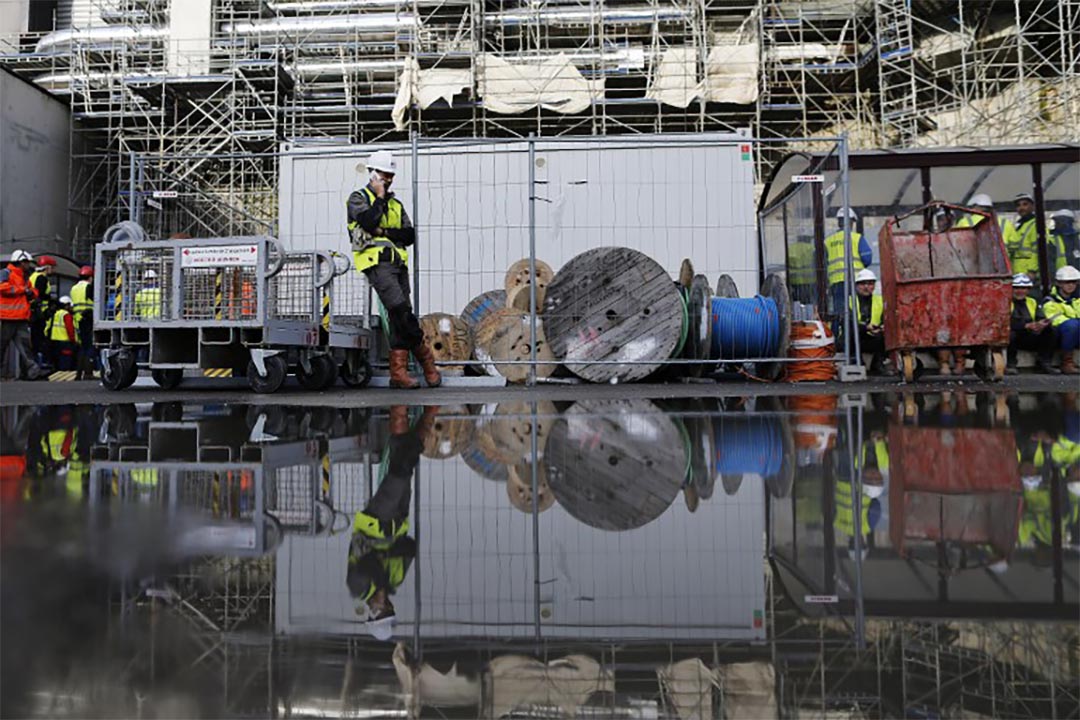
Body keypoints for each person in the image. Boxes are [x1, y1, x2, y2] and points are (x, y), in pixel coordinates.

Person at [347, 151, 440, 389]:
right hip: (376, 263)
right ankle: (427, 361)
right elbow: (368, 222)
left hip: (398, 263)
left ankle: (398, 374)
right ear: (373, 174)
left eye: (390, 175)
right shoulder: (358, 198)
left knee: (401, 314)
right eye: (384, 175)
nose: (388, 179)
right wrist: (379, 198)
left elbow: (408, 235)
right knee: (399, 309)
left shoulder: (396, 204)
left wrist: (384, 232)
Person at [346, 406, 435, 640]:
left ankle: (405, 411)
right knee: (404, 465)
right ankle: (417, 415)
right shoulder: (394, 581)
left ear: (372, 613)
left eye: (382, 611)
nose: (385, 606)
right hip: (398, 520)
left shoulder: (358, 588)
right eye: (389, 609)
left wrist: (386, 563)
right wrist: (393, 556)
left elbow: (368, 562)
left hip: (377, 520)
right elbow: (410, 548)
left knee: (400, 472)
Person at [0, 250, 45, 380]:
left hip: (21, 317)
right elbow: (2, 287)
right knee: (2, 346)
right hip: (7, 317)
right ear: (20, 262)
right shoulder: (6, 273)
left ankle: (33, 371)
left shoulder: (25, 276)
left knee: (25, 346)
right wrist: (22, 290)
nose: (29, 265)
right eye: (27, 263)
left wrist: (32, 293)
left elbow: (32, 290)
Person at [825, 208, 873, 321]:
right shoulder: (857, 238)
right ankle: (857, 333)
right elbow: (867, 259)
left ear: (839, 222)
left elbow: (821, 263)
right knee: (857, 311)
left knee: (839, 313)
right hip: (855, 281)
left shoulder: (828, 241)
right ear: (851, 222)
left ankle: (839, 335)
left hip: (836, 283)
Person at [1007, 273, 1058, 374]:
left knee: (1050, 330)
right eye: (1017, 288)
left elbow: (1040, 316)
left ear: (1028, 290)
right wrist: (1025, 326)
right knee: (1010, 334)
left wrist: (1041, 324)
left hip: (1029, 335)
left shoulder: (1032, 302)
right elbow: (1003, 323)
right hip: (1014, 336)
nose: (1020, 291)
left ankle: (1044, 362)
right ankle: (1011, 364)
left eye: (1024, 288)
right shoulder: (1006, 302)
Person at [1043, 265, 1080, 374]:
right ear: (1059, 283)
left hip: (1075, 332)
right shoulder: (1050, 301)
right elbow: (1055, 319)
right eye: (1067, 282)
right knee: (1072, 325)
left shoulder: (1077, 299)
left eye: (1073, 282)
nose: (1071, 285)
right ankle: (1067, 363)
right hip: (1061, 334)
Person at [851, 268, 888, 375]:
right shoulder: (849, 301)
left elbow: (885, 319)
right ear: (857, 286)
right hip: (854, 338)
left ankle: (878, 363)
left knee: (885, 336)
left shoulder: (880, 300)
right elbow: (847, 324)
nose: (866, 287)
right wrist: (866, 327)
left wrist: (881, 328)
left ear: (874, 285)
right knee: (851, 333)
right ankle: (856, 361)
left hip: (872, 336)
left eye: (870, 283)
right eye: (862, 284)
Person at [1003, 192, 1041, 284]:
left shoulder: (1036, 224)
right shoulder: (1020, 225)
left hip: (1029, 274)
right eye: (1018, 205)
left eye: (1025, 204)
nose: (1021, 208)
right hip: (1017, 272)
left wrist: (1032, 271)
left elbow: (1038, 250)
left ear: (1032, 206)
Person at [27, 255, 56, 366]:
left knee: (34, 339)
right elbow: (41, 294)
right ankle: (40, 363)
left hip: (32, 311)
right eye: (52, 268)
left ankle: (36, 362)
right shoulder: (42, 278)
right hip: (40, 313)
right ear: (47, 267)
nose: (53, 270)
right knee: (39, 339)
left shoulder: (32, 276)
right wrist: (52, 301)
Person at [70, 266, 95, 379]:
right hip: (87, 319)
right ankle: (88, 373)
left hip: (77, 319)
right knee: (90, 346)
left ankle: (78, 374)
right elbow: (95, 301)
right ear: (90, 277)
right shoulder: (88, 287)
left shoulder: (74, 288)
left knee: (82, 347)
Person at [45, 296, 78, 372]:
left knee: (57, 362)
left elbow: (47, 328)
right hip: (65, 341)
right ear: (66, 305)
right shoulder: (66, 315)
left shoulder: (55, 314)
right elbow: (70, 329)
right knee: (65, 363)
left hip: (54, 341)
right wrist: (73, 340)